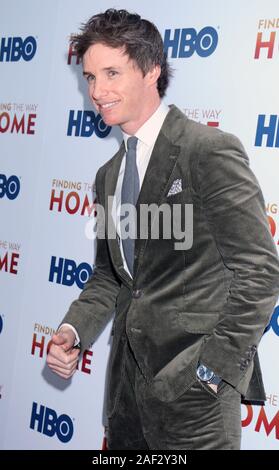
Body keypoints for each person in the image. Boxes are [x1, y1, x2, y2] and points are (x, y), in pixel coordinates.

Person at [46, 9, 279, 450]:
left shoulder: (206, 150)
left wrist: (212, 373)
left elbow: (260, 273)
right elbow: (111, 277)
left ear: (152, 70)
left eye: (112, 72)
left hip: (197, 402)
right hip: (125, 399)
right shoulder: (108, 175)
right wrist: (72, 332)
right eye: (91, 77)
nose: (98, 91)